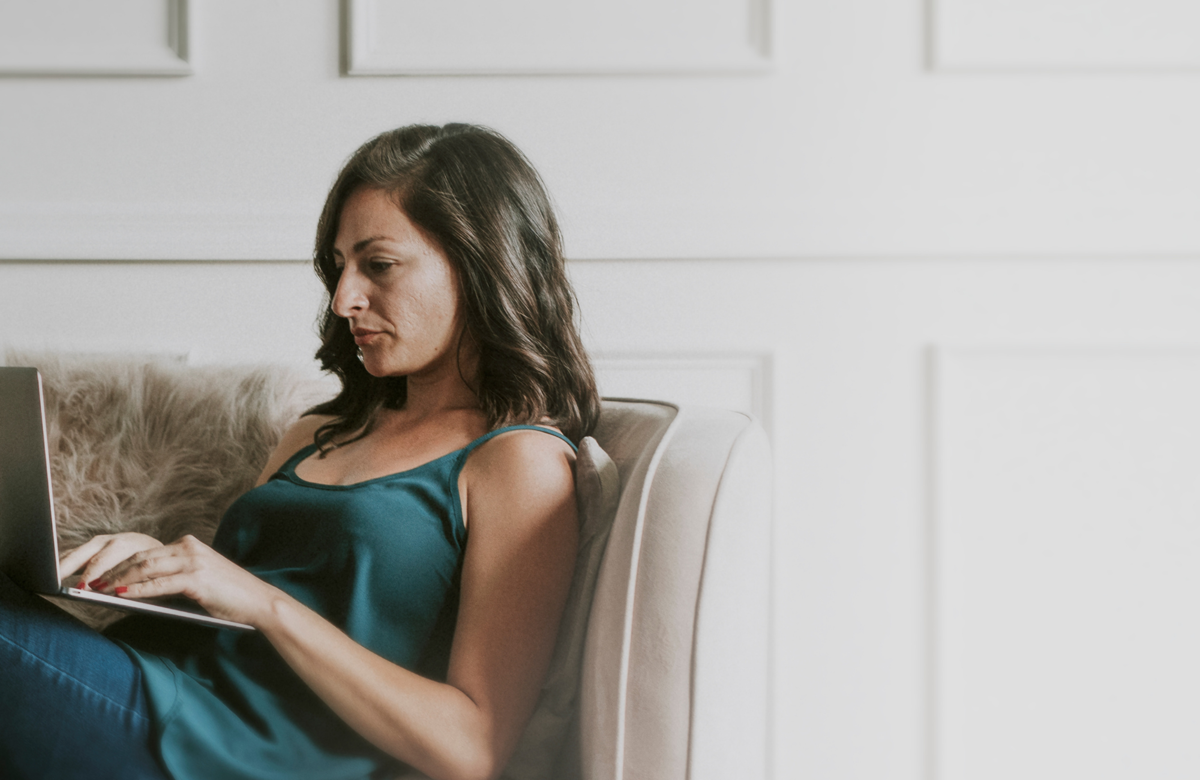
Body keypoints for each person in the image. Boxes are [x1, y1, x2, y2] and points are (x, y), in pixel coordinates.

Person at [0, 123, 601, 780]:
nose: (344, 300)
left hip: (230, 751)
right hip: (152, 679)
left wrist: (263, 602)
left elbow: (473, 747)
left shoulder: (518, 462)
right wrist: (159, 569)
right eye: (338, 268)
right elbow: (230, 610)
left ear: (481, 262)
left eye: (379, 265)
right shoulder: (318, 431)